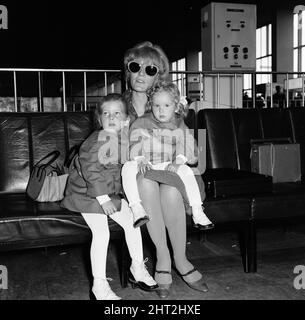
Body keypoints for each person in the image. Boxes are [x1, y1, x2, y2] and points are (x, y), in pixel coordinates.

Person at [123, 41, 210, 299]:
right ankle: (163, 259)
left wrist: (182, 161)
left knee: (171, 188)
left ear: (159, 76)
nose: (141, 74)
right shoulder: (117, 106)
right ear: (127, 70)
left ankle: (180, 259)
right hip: (133, 178)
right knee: (145, 182)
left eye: (150, 69)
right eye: (135, 66)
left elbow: (189, 149)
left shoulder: (169, 107)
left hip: (172, 174)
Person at [61, 93, 158, 300]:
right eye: (106, 113)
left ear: (125, 120)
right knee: (102, 233)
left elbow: (127, 159)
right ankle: (99, 285)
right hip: (85, 194)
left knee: (134, 221)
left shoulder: (121, 139)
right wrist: (103, 200)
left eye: (116, 113)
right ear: (100, 119)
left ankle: (137, 267)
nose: (111, 117)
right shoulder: (95, 141)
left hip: (109, 194)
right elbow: (90, 171)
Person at [121, 80, 214, 231]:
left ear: (176, 106)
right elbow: (134, 140)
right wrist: (141, 159)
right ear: (151, 105)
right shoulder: (142, 121)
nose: (161, 110)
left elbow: (188, 143)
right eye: (156, 106)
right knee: (127, 167)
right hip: (146, 165)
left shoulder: (179, 123)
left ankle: (197, 210)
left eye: (166, 106)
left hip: (167, 163)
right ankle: (136, 208)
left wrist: (178, 161)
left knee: (187, 171)